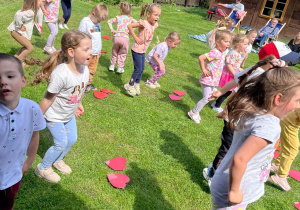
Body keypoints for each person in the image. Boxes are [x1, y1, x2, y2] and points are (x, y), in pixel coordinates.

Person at [210, 66, 300, 209]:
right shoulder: (269, 126)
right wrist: (234, 191)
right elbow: (240, 158)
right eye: (297, 100)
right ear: (279, 98)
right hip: (232, 189)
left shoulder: (256, 110)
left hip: (228, 181)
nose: (297, 106)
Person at [202, 55, 282, 186]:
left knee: (233, 150)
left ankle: (217, 170)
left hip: (243, 122)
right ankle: (213, 175)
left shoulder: (258, 71)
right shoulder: (260, 77)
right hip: (236, 120)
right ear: (270, 66)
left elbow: (236, 80)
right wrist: (226, 109)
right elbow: (237, 90)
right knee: (227, 149)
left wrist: (221, 92)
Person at [33, 30, 91, 183]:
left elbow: (79, 90)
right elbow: (47, 99)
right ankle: (43, 168)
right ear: (71, 52)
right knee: (61, 142)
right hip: (54, 116)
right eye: (86, 49)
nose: (91, 53)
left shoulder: (84, 70)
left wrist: (79, 104)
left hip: (68, 115)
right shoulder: (61, 74)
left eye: (90, 48)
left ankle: (57, 160)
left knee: (72, 139)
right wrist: (36, 119)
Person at [0, 53, 46, 209]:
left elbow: (34, 135)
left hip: (14, 174)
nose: (3, 82)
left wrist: (29, 161)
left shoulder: (32, 109)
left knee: (8, 202)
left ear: (23, 81)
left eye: (10, 76)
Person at [187, 30, 232, 124]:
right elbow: (201, 58)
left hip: (213, 81)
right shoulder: (215, 52)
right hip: (207, 80)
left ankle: (196, 111)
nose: (228, 44)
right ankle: (193, 112)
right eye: (226, 41)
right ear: (218, 42)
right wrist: (203, 69)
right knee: (206, 98)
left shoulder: (221, 53)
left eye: (229, 42)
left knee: (211, 96)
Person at [124, 3, 161, 97]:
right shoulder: (143, 23)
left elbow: (155, 24)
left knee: (142, 69)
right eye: (155, 15)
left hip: (143, 51)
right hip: (136, 49)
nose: (157, 17)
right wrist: (135, 37)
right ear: (148, 14)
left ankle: (136, 84)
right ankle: (129, 85)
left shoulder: (153, 24)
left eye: (159, 15)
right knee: (138, 69)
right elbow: (129, 26)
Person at [211, 34, 248, 113]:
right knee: (226, 91)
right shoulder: (234, 53)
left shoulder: (237, 53)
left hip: (232, 73)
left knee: (227, 91)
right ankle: (216, 106)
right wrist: (235, 75)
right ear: (238, 45)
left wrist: (242, 70)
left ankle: (215, 103)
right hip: (229, 74)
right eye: (245, 44)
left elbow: (236, 65)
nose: (247, 46)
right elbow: (229, 65)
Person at [78, 4, 108, 92]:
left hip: (95, 53)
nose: (99, 22)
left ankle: (88, 83)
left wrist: (99, 50)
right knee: (83, 68)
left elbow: (97, 37)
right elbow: (80, 37)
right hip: (88, 52)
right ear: (93, 13)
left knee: (92, 69)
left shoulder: (97, 23)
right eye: (98, 20)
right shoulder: (85, 22)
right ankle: (79, 83)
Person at [269, 109, 300, 191]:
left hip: (290, 119)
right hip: (290, 123)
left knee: (290, 147)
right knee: (292, 149)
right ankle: (280, 177)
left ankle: (277, 164)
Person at [107, 2, 136, 74]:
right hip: (125, 38)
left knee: (115, 51)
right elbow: (136, 24)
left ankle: (112, 65)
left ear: (121, 10)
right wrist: (131, 32)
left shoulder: (118, 18)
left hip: (117, 37)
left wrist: (112, 30)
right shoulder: (131, 19)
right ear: (130, 11)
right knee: (122, 53)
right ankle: (120, 67)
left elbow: (109, 21)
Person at [7, 0, 39, 65]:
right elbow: (18, 15)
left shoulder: (28, 11)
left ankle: (15, 59)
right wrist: (20, 26)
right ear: (33, 3)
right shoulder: (30, 12)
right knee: (30, 48)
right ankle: (16, 63)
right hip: (16, 32)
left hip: (16, 31)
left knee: (25, 47)